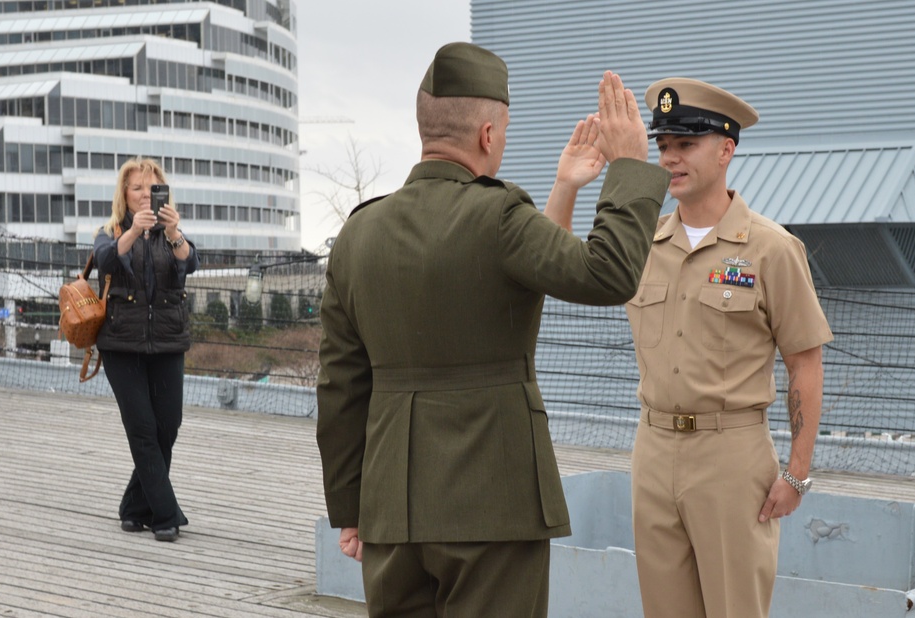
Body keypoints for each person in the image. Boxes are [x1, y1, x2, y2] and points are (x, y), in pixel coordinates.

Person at [316, 42, 670, 617]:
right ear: (487, 134)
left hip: (391, 508)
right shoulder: (500, 214)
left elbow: (339, 385)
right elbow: (607, 275)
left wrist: (351, 506)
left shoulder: (359, 233)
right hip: (495, 504)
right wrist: (630, 166)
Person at [626, 78, 833, 617]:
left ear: (725, 149)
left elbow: (805, 363)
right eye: (664, 145)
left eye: (685, 145)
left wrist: (797, 473)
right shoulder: (642, 246)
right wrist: (570, 181)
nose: (670, 158)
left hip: (730, 458)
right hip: (651, 453)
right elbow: (559, 271)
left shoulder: (772, 249)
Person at [93, 157, 197, 543]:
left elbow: (191, 263)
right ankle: (167, 515)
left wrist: (175, 233)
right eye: (137, 188)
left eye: (151, 188)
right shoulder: (110, 231)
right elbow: (106, 261)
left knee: (167, 426)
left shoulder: (171, 233)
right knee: (142, 428)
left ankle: (134, 507)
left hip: (168, 342)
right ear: (124, 193)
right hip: (122, 344)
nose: (144, 195)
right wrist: (133, 232)